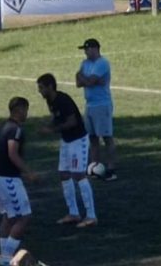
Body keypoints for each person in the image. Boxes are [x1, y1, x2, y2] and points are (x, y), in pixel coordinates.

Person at [37, 73, 97, 228]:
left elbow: (72, 122)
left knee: (79, 175)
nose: (39, 91)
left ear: (50, 86)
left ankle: (91, 215)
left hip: (77, 140)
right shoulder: (50, 100)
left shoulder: (63, 100)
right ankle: (73, 213)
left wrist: (51, 130)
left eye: (41, 88)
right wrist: (48, 124)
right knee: (64, 174)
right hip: (66, 140)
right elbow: (57, 118)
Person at [0, 97, 36, 266]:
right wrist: (28, 172)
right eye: (26, 109)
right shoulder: (16, 130)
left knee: (8, 217)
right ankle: (7, 258)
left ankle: (4, 257)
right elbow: (12, 153)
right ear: (19, 109)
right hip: (8, 179)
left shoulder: (5, 127)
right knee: (23, 217)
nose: (27, 113)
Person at [75, 39, 117, 181]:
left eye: (87, 49)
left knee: (106, 137)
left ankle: (111, 168)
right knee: (92, 138)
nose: (85, 52)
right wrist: (87, 80)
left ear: (95, 49)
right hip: (89, 105)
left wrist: (86, 79)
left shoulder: (102, 63)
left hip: (102, 104)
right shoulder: (85, 63)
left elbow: (89, 81)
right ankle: (94, 166)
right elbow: (78, 81)